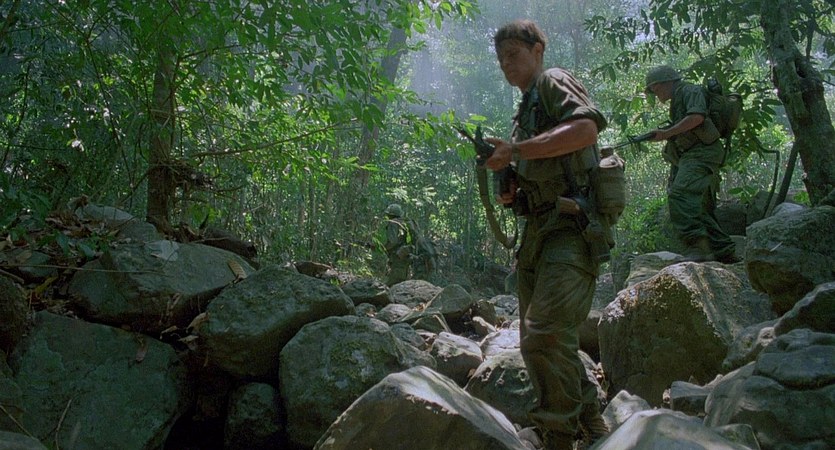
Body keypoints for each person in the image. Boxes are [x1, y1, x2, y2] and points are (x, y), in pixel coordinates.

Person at [483, 19, 609, 450]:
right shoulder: (525, 111)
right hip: (537, 232)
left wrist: (516, 151)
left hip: (570, 228)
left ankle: (557, 435)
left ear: (538, 51)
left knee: (544, 332)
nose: (506, 64)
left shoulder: (553, 81)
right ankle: (590, 419)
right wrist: (510, 184)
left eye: (513, 54)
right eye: (501, 59)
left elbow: (586, 129)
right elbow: (540, 165)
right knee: (538, 338)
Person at [643, 65, 737, 263]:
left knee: (680, 195)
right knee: (700, 206)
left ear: (667, 82)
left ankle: (698, 247)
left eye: (655, 89)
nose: (655, 94)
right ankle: (723, 251)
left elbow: (696, 117)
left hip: (703, 153)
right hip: (695, 153)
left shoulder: (689, 90)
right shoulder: (678, 98)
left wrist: (666, 133)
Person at [382, 203, 413, 286]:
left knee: (393, 284)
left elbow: (392, 241)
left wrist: (384, 248)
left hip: (398, 257)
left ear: (390, 215)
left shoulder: (393, 223)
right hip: (405, 255)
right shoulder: (404, 223)